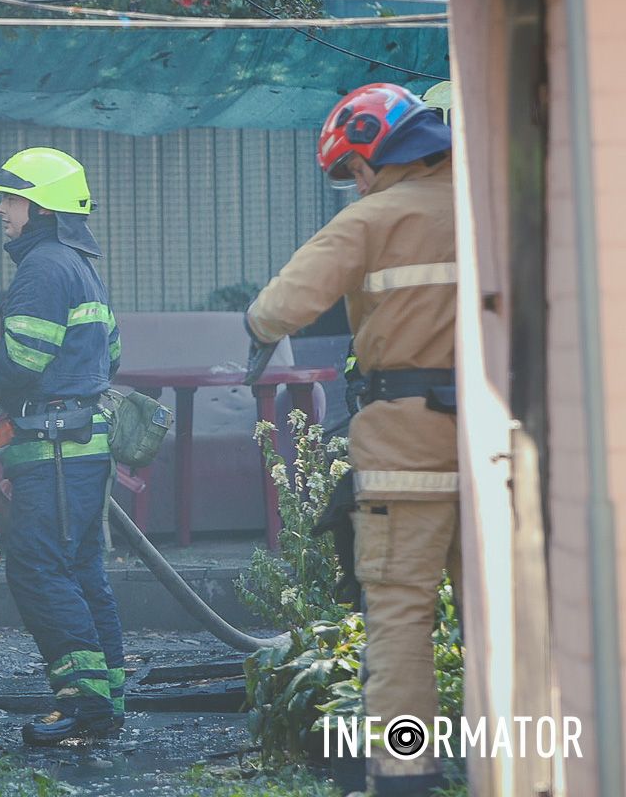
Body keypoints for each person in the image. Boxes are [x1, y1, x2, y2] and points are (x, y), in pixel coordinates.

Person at [245, 83, 459, 797]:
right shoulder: (496, 205)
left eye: (355, 168)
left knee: (401, 617)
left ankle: (405, 776)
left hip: (405, 454)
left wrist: (256, 332)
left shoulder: (370, 220)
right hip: (502, 452)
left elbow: (278, 307)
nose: (355, 185)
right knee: (508, 618)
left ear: (377, 148)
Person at [0, 147, 126, 745]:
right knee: (82, 571)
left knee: (38, 571)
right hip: (82, 450)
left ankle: (80, 706)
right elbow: (112, 357)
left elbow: (18, 360)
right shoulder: (83, 265)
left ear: (38, 206)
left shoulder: (42, 267)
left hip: (55, 456)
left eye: (8, 200)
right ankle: (105, 702)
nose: (1, 211)